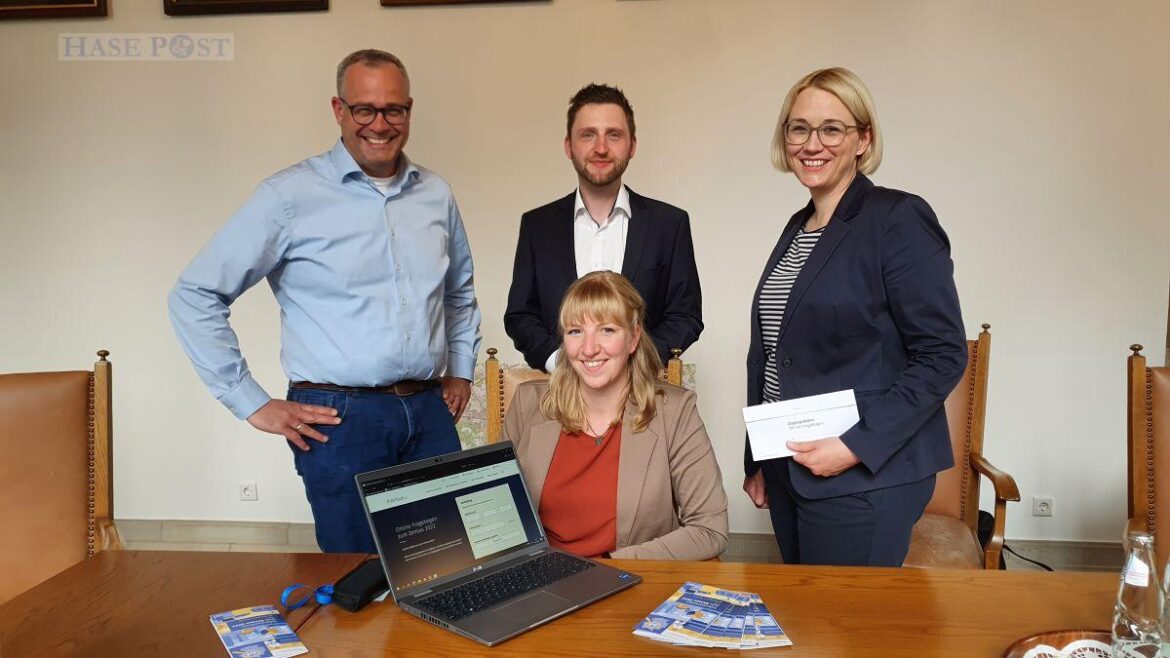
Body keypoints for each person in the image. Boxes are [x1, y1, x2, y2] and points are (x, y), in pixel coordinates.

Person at [168, 49, 482, 554]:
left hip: (428, 411)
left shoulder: (436, 194)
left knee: (446, 564)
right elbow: (196, 294)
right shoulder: (288, 197)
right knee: (355, 579)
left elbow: (459, 292)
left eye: (393, 110)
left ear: (409, 110)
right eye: (365, 109)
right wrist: (250, 401)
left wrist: (462, 369)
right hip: (340, 421)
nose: (380, 124)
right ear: (339, 110)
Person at [742, 67, 967, 567]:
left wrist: (855, 447)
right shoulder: (799, 226)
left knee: (845, 635)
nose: (811, 143)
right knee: (806, 624)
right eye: (798, 128)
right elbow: (777, 351)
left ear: (863, 139)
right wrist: (759, 459)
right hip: (789, 466)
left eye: (831, 128)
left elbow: (942, 355)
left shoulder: (897, 218)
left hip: (864, 474)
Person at [503, 271, 727, 560]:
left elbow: (710, 529)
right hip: (541, 582)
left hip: (632, 580)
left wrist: (608, 568)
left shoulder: (675, 411)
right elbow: (496, 513)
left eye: (607, 330)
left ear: (633, 338)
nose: (589, 348)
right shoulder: (528, 404)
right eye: (575, 331)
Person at [505, 83, 702, 371]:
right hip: (559, 398)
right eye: (588, 135)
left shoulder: (669, 224)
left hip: (643, 396)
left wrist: (634, 363)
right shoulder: (537, 226)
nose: (600, 148)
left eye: (614, 135)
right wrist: (562, 363)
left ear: (632, 145)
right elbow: (520, 315)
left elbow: (686, 317)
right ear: (568, 146)